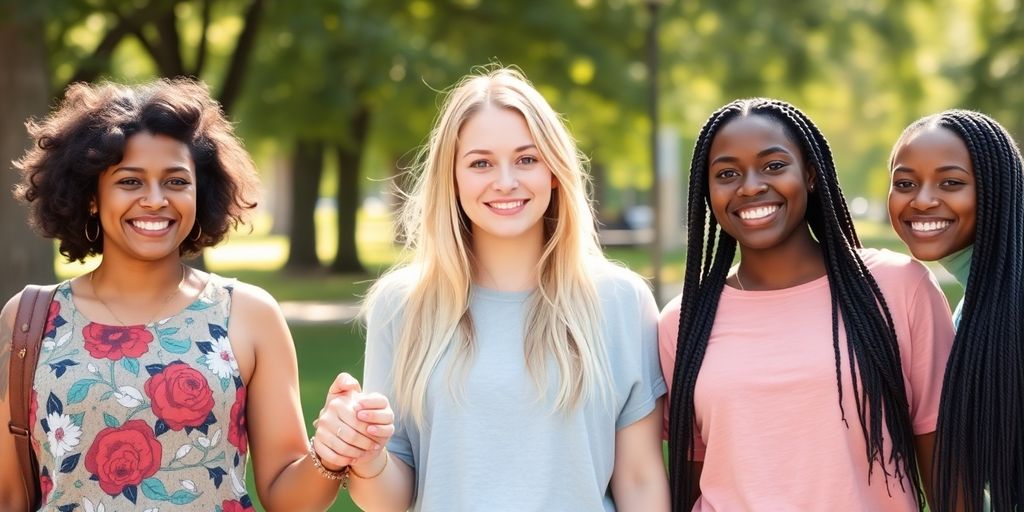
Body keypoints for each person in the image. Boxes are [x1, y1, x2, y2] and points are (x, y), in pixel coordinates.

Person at [311, 67, 670, 511]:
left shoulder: (621, 301)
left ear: (554, 171)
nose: (505, 181)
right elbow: (389, 498)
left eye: (527, 159)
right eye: (480, 162)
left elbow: (640, 478)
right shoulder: (401, 304)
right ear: (453, 177)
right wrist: (365, 454)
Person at [0, 78, 346, 511]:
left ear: (200, 194)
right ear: (91, 196)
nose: (155, 200)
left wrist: (331, 453)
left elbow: (288, 497)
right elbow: (9, 495)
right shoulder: (30, 319)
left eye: (176, 181)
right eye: (130, 182)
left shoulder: (249, 315)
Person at [659, 98, 954, 511]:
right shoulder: (682, 323)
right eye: (727, 173)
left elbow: (945, 464)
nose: (750, 186)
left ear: (811, 174)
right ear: (707, 192)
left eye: (774, 166)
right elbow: (687, 478)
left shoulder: (897, 288)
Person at [887, 109, 1024, 512]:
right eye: (906, 183)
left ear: (998, 190)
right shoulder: (979, 308)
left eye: (951, 182)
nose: (923, 199)